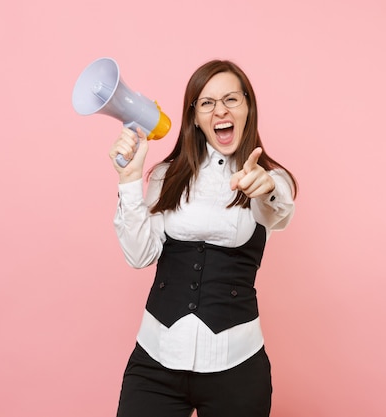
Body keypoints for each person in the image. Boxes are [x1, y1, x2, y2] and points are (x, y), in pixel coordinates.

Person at [109, 59, 298, 417]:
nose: (220, 110)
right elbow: (138, 255)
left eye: (231, 99)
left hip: (237, 366)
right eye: (207, 103)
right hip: (155, 359)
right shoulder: (167, 175)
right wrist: (130, 180)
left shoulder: (270, 178)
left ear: (247, 107)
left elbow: (281, 208)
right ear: (194, 116)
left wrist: (266, 186)